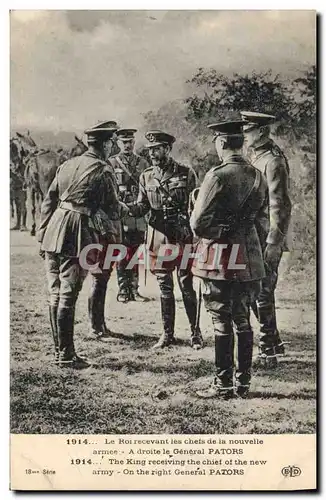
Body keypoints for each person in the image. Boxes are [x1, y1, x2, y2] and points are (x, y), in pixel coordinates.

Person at [190, 120, 268, 398]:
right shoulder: (258, 175)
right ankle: (243, 383)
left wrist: (220, 231)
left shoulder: (217, 175)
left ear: (222, 143)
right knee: (243, 318)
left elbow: (198, 224)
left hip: (221, 257)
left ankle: (223, 384)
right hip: (249, 257)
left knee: (221, 320)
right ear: (241, 143)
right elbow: (263, 221)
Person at [37, 121, 123, 368]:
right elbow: (113, 209)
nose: (112, 146)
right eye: (112, 143)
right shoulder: (104, 170)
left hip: (54, 230)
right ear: (105, 144)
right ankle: (66, 355)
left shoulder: (67, 165)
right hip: (77, 233)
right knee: (69, 293)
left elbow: (48, 202)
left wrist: (42, 237)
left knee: (55, 292)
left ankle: (60, 352)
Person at [127, 130, 203, 349]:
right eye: (150, 150)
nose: (153, 153)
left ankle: (194, 333)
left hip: (181, 236)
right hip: (158, 238)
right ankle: (167, 334)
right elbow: (142, 206)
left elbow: (195, 208)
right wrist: (126, 209)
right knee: (164, 287)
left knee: (186, 284)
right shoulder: (146, 176)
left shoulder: (186, 174)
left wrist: (194, 232)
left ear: (168, 149)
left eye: (158, 149)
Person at [240, 111, 292, 365]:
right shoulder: (256, 157)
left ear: (261, 132)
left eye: (248, 131)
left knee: (262, 292)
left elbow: (279, 206)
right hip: (255, 235)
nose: (244, 135)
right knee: (255, 290)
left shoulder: (273, 161)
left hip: (266, 236)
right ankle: (274, 341)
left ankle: (267, 349)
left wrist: (274, 242)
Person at [110, 128, 150, 302]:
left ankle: (134, 289)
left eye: (130, 142)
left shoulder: (143, 164)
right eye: (124, 142)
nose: (127, 145)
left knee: (135, 251)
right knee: (121, 251)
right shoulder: (111, 163)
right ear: (118, 143)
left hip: (137, 213)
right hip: (120, 213)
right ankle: (123, 289)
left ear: (134, 143)